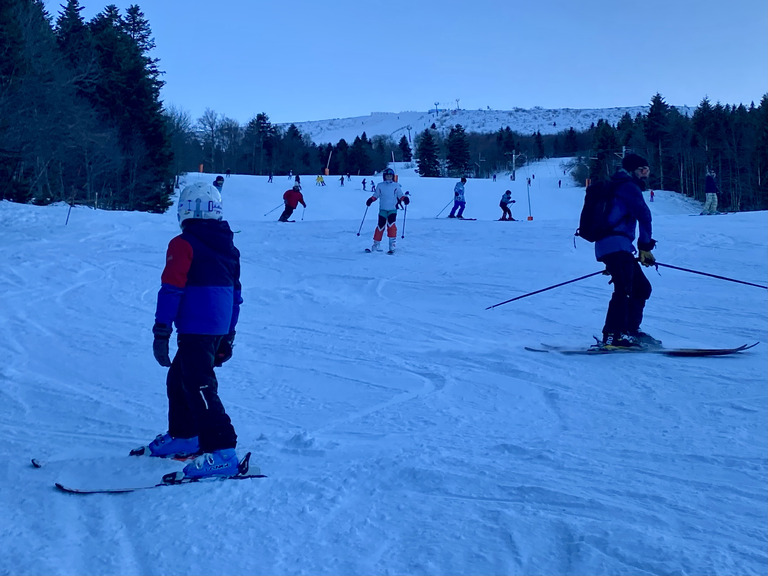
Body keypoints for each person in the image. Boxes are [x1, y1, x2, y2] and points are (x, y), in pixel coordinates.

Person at [147, 181, 242, 479]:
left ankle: (223, 449)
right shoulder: (228, 246)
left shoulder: (182, 243)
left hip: (197, 327)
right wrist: (228, 334)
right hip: (215, 327)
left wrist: (161, 330)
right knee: (179, 377)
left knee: (199, 384)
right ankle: (185, 434)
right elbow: (235, 294)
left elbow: (171, 289)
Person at [595, 153, 659, 349]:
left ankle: (630, 331)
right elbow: (644, 216)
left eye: (647, 170)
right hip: (616, 245)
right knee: (624, 289)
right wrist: (645, 247)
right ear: (632, 170)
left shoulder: (617, 186)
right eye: (642, 170)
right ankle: (613, 335)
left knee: (641, 288)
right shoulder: (628, 186)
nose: (645, 175)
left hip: (615, 247)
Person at [365, 167, 409, 253]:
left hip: (392, 210)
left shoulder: (396, 185)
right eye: (387, 176)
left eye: (390, 176)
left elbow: (400, 195)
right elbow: (376, 195)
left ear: (392, 177)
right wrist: (371, 200)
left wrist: (405, 199)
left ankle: (392, 245)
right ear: (384, 176)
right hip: (383, 210)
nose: (389, 177)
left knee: (391, 226)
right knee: (380, 226)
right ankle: (376, 244)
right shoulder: (380, 185)